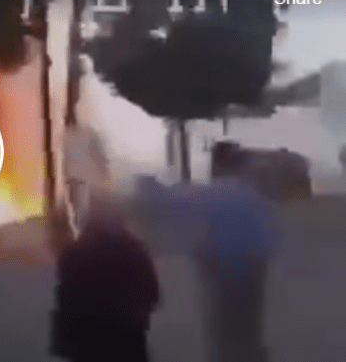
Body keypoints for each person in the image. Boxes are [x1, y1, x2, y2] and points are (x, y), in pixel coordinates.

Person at [137, 144, 280, 362]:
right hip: (253, 272)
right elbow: (270, 235)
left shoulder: (213, 193)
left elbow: (167, 201)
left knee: (224, 335)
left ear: (216, 165)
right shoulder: (253, 194)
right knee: (249, 331)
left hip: (223, 273)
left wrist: (146, 182)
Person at [51, 199, 160, 362]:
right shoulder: (134, 250)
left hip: (86, 348)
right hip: (128, 345)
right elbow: (152, 295)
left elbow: (65, 301)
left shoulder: (74, 254)